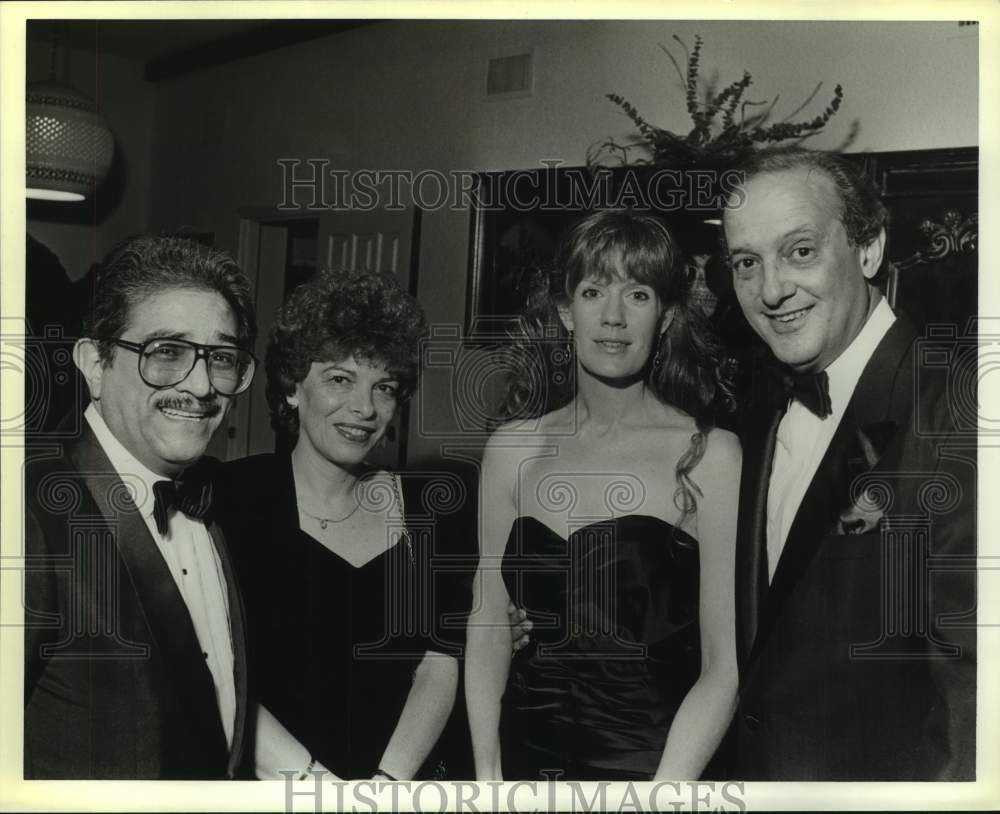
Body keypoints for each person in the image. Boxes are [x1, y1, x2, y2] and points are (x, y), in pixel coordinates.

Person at [722, 147, 976, 780]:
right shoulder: (756, 409)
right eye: (747, 263)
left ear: (868, 249)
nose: (771, 290)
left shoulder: (957, 412)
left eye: (800, 251)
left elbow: (974, 700)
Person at [465, 209, 741, 780]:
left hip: (653, 771)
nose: (613, 316)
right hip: (524, 766)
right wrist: (488, 777)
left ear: (666, 316)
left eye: (638, 295)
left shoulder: (711, 455)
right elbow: (488, 623)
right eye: (593, 292)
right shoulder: (511, 449)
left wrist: (663, 795)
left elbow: (725, 665)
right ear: (566, 310)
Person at [23, 236, 261, 778]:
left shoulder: (213, 502)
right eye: (167, 352)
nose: (201, 386)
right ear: (95, 363)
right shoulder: (29, 514)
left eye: (222, 358)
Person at [215, 267, 463, 781]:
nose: (365, 408)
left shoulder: (424, 509)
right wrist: (315, 786)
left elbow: (438, 661)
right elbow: (216, 666)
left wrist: (387, 786)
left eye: (384, 387)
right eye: (340, 379)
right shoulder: (233, 499)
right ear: (292, 387)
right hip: (275, 786)